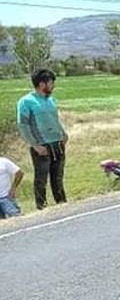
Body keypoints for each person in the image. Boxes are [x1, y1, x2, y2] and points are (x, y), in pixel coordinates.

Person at [16, 69, 67, 210]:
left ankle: (62, 204)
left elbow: (54, 119)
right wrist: (35, 145)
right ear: (41, 84)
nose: (53, 86)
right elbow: (23, 126)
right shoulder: (26, 102)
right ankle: (42, 207)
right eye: (51, 83)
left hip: (57, 143)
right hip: (42, 146)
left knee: (58, 178)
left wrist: (63, 134)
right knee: (41, 179)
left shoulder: (51, 100)